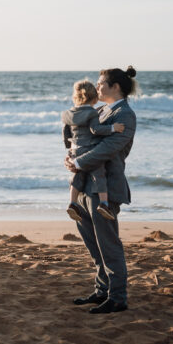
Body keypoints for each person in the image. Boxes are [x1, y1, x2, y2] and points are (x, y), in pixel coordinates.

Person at [65, 66, 139, 314]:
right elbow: (81, 139)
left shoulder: (125, 115)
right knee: (93, 245)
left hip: (106, 187)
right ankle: (102, 291)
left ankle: (117, 297)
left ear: (115, 86)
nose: (97, 88)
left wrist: (78, 162)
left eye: (100, 83)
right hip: (86, 185)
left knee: (108, 245)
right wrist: (71, 156)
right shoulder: (101, 111)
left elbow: (108, 148)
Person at [63, 79, 124, 222]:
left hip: (75, 150)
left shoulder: (69, 113)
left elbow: (66, 132)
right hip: (89, 149)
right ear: (94, 98)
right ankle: (104, 204)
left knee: (78, 177)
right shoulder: (91, 112)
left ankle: (72, 203)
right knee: (99, 174)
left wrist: (69, 148)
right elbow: (95, 130)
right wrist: (112, 128)